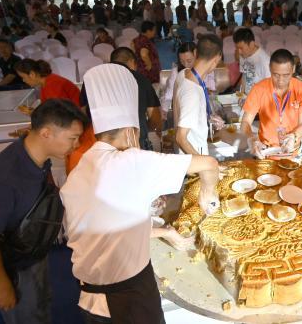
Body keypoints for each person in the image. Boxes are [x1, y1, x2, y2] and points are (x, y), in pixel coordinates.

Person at [60, 64, 220, 324]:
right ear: (130, 131)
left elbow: (104, 231)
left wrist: (164, 231)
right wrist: (208, 192)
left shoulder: (80, 168)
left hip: (89, 302)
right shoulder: (132, 161)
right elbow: (209, 164)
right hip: (130, 300)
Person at [0, 99, 86, 324]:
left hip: (33, 255)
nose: (77, 144)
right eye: (72, 138)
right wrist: (3, 286)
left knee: (41, 308)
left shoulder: (37, 159)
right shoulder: (4, 179)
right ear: (47, 133)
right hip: (12, 270)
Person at [241, 49, 302, 160]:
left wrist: (293, 137)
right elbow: (245, 122)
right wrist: (251, 138)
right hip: (265, 152)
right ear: (269, 68)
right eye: (276, 75)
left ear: (293, 69)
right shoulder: (259, 89)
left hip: (292, 151)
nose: (280, 80)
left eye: (286, 75)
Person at [173, 34, 223, 155]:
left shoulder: (183, 73)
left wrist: (206, 117)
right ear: (216, 59)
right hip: (193, 157)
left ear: (195, 53)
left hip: (186, 155)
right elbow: (180, 138)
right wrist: (204, 164)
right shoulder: (192, 92)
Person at [15, 59, 80, 107]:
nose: (23, 80)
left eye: (23, 77)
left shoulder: (52, 84)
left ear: (32, 74)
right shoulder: (46, 81)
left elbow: (60, 113)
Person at [162, 42, 196, 121]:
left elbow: (211, 91)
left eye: (189, 61)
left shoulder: (204, 70)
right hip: (182, 111)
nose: (186, 65)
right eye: (182, 61)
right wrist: (164, 110)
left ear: (196, 55)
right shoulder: (176, 71)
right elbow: (169, 94)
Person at [233, 28, 271, 95]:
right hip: (246, 98)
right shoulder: (243, 55)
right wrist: (241, 94)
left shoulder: (265, 62)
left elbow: (269, 89)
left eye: (241, 48)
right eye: (237, 48)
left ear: (251, 44)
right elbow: (244, 75)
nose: (239, 52)